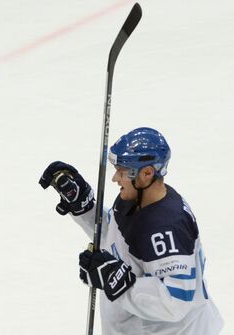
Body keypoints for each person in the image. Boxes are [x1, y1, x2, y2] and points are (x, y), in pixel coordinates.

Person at [39, 127, 223, 334]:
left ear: (146, 173)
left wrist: (114, 279)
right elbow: (120, 242)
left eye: (123, 172)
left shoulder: (166, 229)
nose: (115, 178)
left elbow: (177, 300)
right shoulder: (134, 200)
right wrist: (85, 207)